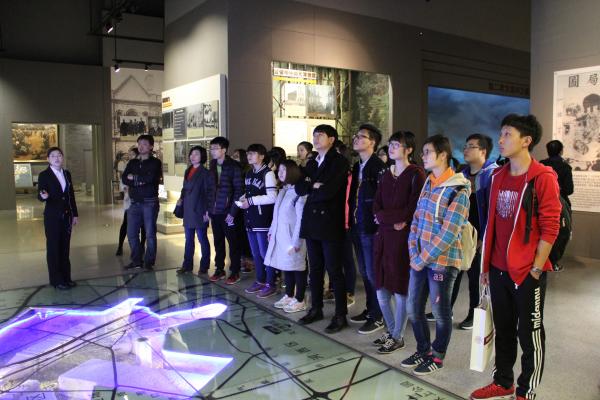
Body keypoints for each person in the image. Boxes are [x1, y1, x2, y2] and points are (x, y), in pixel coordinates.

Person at [470, 114, 561, 400]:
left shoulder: (543, 177)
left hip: (527, 271)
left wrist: (536, 268)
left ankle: (526, 390)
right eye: (501, 133)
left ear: (526, 140)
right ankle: (503, 381)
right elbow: (491, 224)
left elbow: (551, 227)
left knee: (529, 333)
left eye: (508, 134)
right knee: (504, 329)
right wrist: (485, 266)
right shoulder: (497, 176)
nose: (501, 139)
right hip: (498, 268)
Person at [402, 134, 470, 375]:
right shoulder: (429, 182)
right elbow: (416, 220)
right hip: (419, 260)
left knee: (441, 313)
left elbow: (449, 233)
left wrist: (421, 259)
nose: (423, 156)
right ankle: (423, 349)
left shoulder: (459, 188)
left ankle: (437, 355)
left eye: (427, 152)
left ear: (443, 155)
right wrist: (413, 252)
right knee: (413, 309)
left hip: (442, 262)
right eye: (423, 152)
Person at [372, 131, 426, 354]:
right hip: (384, 236)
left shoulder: (416, 174)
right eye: (391, 144)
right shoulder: (386, 174)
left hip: (403, 240)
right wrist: (390, 220)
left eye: (397, 145)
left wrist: (389, 219)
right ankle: (392, 330)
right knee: (381, 288)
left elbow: (412, 209)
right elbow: (376, 207)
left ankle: (397, 336)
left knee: (400, 287)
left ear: (409, 149)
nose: (392, 148)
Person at [297, 124, 349, 334]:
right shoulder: (312, 162)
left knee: (334, 270)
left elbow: (330, 191)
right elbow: (299, 187)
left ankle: (340, 314)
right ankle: (316, 308)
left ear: (332, 139)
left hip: (329, 222)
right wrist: (313, 186)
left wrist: (313, 187)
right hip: (312, 222)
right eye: (314, 135)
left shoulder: (339, 161)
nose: (316, 138)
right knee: (315, 269)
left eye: (320, 135)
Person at [451, 133, 498, 330]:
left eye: (471, 146)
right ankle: (445, 310)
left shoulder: (491, 175)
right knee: (452, 273)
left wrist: (484, 238)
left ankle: (474, 314)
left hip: (478, 236)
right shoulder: (461, 174)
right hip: (459, 233)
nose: (466, 149)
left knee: (475, 278)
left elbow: (493, 212)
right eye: (465, 145)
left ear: (483, 151)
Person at [347, 123, 387, 335]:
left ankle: (378, 315)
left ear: (372, 142)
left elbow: (383, 198)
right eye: (356, 135)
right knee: (364, 272)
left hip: (371, 227)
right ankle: (370, 309)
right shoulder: (358, 166)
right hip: (357, 224)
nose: (356, 138)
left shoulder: (378, 167)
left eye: (362, 136)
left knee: (373, 273)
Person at [264, 160, 308, 313]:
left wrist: (297, 242)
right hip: (282, 236)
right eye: (280, 170)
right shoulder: (283, 190)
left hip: (293, 238)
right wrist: (271, 231)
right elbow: (276, 215)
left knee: (298, 267)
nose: (280, 173)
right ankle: (289, 295)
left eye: (284, 170)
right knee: (287, 267)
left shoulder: (299, 192)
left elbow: (301, 219)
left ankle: (300, 299)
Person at [239, 144, 278, 297]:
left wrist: (251, 201)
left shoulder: (268, 173)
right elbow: (249, 192)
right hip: (250, 217)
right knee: (255, 253)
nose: (249, 156)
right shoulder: (249, 173)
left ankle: (271, 282)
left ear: (262, 156)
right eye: (248, 153)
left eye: (253, 153)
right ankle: (260, 280)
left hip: (263, 219)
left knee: (265, 253)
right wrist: (243, 198)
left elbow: (272, 197)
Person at [37, 147, 79, 290]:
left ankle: (66, 278)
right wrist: (43, 196)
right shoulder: (44, 175)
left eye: (59, 155)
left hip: (67, 217)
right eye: (53, 156)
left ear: (62, 158)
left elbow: (70, 195)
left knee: (65, 248)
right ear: (48, 159)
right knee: (54, 248)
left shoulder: (66, 174)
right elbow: (40, 193)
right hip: (52, 218)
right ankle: (56, 280)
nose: (56, 158)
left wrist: (75, 214)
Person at [121, 134, 163, 270]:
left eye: (144, 144)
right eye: (139, 144)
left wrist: (134, 178)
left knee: (150, 234)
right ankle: (136, 260)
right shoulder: (132, 162)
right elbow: (124, 178)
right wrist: (139, 180)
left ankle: (149, 262)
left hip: (149, 202)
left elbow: (151, 178)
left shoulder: (155, 162)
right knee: (131, 233)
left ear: (151, 146)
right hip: (134, 202)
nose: (141, 146)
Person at [208, 137, 244, 284]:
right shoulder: (212, 164)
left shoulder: (234, 166)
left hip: (228, 212)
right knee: (218, 241)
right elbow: (210, 189)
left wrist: (232, 212)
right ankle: (219, 269)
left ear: (224, 150)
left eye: (215, 148)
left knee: (233, 243)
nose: (212, 151)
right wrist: (209, 209)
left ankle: (235, 271)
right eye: (211, 148)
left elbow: (239, 191)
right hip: (215, 211)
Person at [176, 146, 213, 275]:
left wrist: (208, 210)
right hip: (188, 209)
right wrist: (181, 198)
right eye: (191, 154)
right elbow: (184, 188)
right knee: (188, 239)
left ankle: (204, 266)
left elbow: (209, 193)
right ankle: (187, 265)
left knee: (202, 239)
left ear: (202, 156)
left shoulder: (206, 173)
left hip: (200, 209)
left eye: (196, 154)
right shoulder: (188, 170)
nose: (193, 156)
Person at [116, 147, 146, 256]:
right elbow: (123, 181)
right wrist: (126, 188)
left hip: (142, 200)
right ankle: (120, 246)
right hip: (130, 201)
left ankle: (142, 246)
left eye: (132, 154)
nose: (129, 156)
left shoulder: (142, 166)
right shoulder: (128, 166)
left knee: (143, 225)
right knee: (126, 223)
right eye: (129, 154)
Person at [232, 148, 254, 273]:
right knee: (237, 235)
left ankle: (248, 261)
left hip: (245, 207)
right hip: (235, 207)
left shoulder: (248, 171)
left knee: (245, 235)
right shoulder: (233, 170)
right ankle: (241, 259)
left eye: (236, 156)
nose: (233, 158)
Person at [540, 140, 573, 206]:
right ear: (561, 151)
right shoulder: (565, 167)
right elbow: (569, 190)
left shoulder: (541, 165)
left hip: (543, 202)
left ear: (548, 151)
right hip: (560, 203)